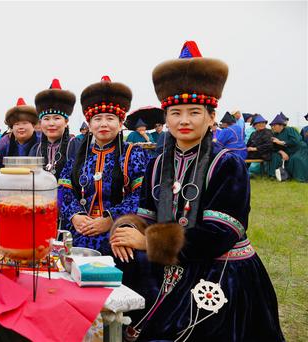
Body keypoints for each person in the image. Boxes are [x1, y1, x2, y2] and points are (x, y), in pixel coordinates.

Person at [110, 41, 284, 341]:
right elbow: (146, 215)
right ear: (166, 118)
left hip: (220, 271)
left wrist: (147, 243)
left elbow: (219, 234)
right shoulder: (157, 163)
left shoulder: (227, 164)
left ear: (211, 116)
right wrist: (126, 231)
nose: (184, 120)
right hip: (166, 268)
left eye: (194, 112)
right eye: (175, 112)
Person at [58, 76, 148, 254]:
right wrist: (76, 216)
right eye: (97, 119)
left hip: (117, 233)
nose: (104, 124)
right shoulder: (77, 158)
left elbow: (140, 195)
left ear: (121, 123)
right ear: (89, 125)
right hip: (79, 231)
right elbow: (64, 191)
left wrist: (110, 219)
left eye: (110, 118)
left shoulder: (134, 154)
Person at [29, 79, 78, 179]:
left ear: (66, 122)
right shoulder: (35, 150)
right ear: (41, 122)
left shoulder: (75, 146)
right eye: (46, 119)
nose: (51, 123)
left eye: (57, 118)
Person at [0, 98, 39, 175]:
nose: (20, 127)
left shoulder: (42, 143)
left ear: (33, 125)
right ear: (11, 128)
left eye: (25, 123)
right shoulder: (4, 143)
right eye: (16, 124)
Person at [268, 113, 308, 182]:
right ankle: (275, 175)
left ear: (281, 125)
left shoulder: (290, 130)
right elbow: (273, 148)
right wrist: (282, 152)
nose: (273, 127)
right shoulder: (275, 135)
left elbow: (296, 141)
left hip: (300, 149)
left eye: (274, 125)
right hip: (288, 152)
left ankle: (301, 178)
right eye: (272, 126)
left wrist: (281, 142)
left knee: (296, 159)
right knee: (275, 156)